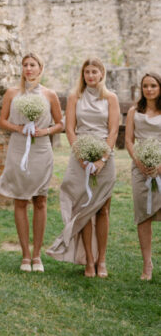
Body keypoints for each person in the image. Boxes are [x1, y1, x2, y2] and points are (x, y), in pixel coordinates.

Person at [46, 58, 119, 277]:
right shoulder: (74, 97)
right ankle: (88, 259)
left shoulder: (111, 98)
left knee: (103, 209)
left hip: (105, 154)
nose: (90, 75)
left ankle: (102, 260)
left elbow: (113, 130)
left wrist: (102, 159)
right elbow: (69, 129)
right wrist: (81, 157)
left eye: (94, 71)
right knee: (83, 209)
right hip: (80, 154)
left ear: (102, 73)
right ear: (83, 74)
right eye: (87, 72)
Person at [0, 53, 63, 272]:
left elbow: (60, 124)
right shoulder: (12, 93)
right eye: (25, 65)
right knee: (20, 199)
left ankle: (37, 255)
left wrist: (45, 131)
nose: (28, 68)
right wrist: (19, 128)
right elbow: (2, 121)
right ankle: (25, 255)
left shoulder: (49, 94)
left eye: (33, 65)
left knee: (40, 200)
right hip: (18, 147)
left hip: (41, 149)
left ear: (40, 68)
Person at [124, 71, 161, 281]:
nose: (149, 89)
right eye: (145, 86)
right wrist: (139, 161)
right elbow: (129, 140)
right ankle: (147, 264)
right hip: (140, 169)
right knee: (143, 216)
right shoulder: (134, 111)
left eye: (153, 85)